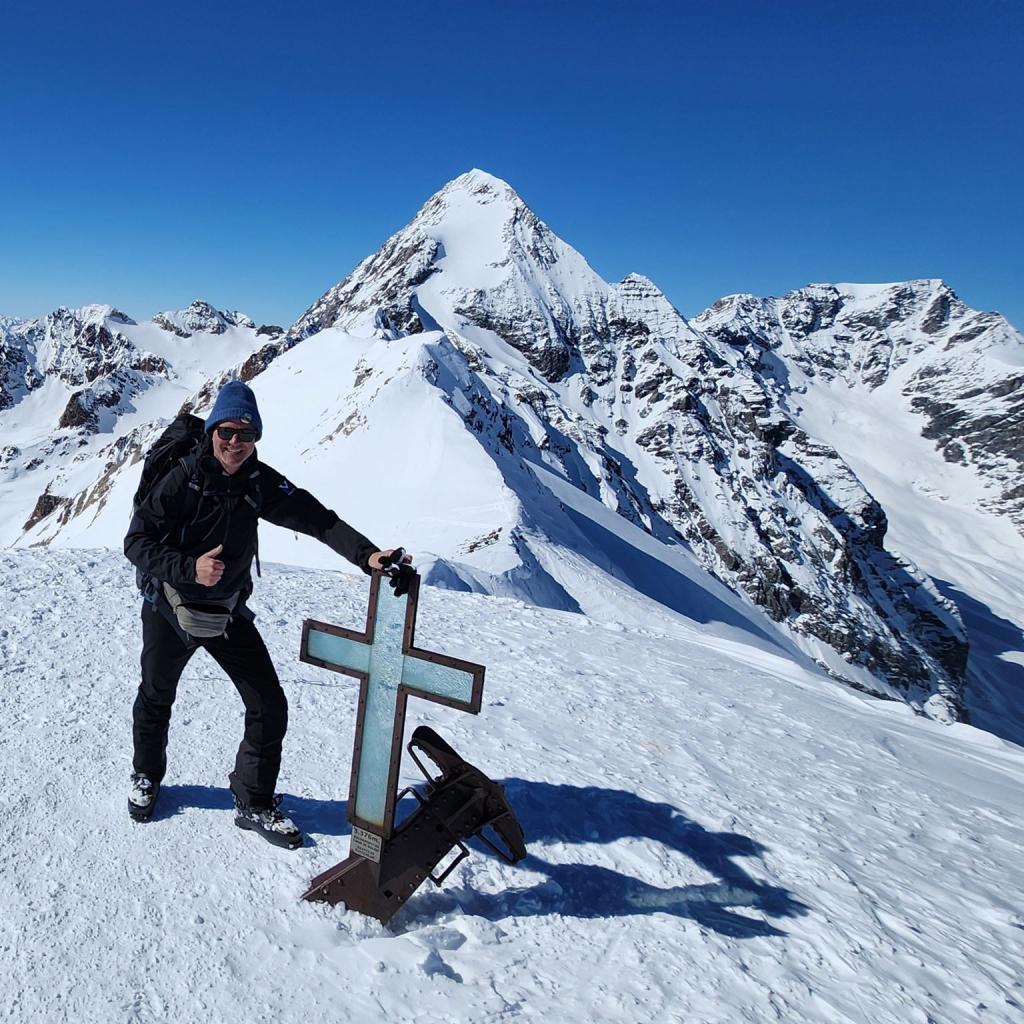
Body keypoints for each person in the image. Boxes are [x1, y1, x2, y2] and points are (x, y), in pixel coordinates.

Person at [123, 380, 410, 849]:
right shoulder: (181, 479)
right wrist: (189, 568)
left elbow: (318, 518)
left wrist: (368, 556)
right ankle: (146, 776)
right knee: (156, 696)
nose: (235, 443)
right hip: (168, 609)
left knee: (268, 705)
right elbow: (136, 542)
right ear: (212, 429)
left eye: (247, 434)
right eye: (227, 432)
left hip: (228, 611)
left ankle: (254, 799)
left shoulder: (259, 482)